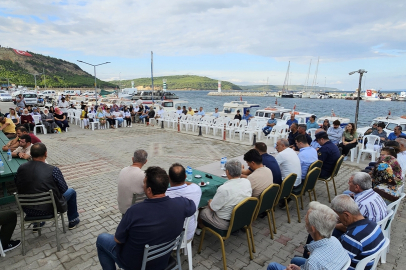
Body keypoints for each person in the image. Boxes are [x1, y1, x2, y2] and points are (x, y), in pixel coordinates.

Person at [96, 166, 195, 270]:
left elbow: (118, 239)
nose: (143, 185)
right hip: (163, 259)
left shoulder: (134, 211)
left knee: (101, 239)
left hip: (134, 264)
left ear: (149, 190)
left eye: (144, 183)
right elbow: (192, 205)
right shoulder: (181, 204)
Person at [14, 143, 80, 229]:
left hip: (28, 209)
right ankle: (72, 221)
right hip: (50, 208)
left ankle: (37, 223)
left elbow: (16, 182)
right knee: (71, 192)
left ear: (31, 154)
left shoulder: (21, 168)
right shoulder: (53, 170)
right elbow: (64, 189)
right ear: (46, 153)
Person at [266, 202, 349, 270]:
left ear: (313, 228)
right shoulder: (335, 240)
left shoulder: (313, 262)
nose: (305, 222)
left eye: (306, 220)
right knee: (295, 260)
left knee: (272, 266)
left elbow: (314, 263)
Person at [330, 195, 385, 270]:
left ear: (346, 215)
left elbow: (335, 263)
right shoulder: (374, 224)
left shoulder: (353, 237)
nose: (337, 219)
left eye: (337, 216)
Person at [198, 160, 251, 230]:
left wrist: (210, 201)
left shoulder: (224, 189)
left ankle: (201, 228)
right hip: (243, 217)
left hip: (226, 223)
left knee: (202, 211)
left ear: (227, 172)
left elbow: (212, 208)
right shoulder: (247, 181)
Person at [166, 163, 202, 241]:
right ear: (185, 177)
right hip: (189, 234)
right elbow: (193, 184)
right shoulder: (196, 189)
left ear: (169, 178)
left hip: (169, 238)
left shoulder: (165, 196)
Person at [117, 150, 148, 215]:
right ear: (145, 162)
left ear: (132, 159)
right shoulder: (143, 175)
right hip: (135, 211)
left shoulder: (123, 170)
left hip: (122, 208)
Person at [275, 139, 302, 206]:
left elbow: (273, 167)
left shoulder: (281, 154)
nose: (276, 147)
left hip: (289, 184)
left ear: (283, 146)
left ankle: (272, 201)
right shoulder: (291, 150)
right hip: (297, 181)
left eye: (277, 145)